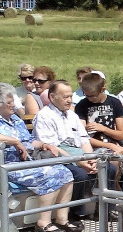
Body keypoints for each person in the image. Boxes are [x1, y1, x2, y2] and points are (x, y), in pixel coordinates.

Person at [0, 82, 79, 232]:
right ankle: (43, 222)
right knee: (51, 174)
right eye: (9, 102)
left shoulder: (15, 119)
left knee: (65, 173)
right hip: (5, 166)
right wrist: (14, 141)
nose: (14, 105)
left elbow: (29, 141)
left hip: (24, 163)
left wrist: (44, 145)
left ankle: (62, 219)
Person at [33, 80, 96, 218]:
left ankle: (102, 211)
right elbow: (52, 148)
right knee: (79, 174)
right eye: (65, 97)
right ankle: (75, 213)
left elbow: (84, 140)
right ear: (52, 97)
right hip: (57, 158)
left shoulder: (72, 115)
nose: (69, 101)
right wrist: (78, 161)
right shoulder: (44, 116)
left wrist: (90, 159)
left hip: (78, 155)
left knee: (108, 168)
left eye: (70, 97)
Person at [75, 71, 123, 156]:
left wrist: (103, 129)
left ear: (103, 90)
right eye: (87, 95)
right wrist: (109, 146)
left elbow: (122, 134)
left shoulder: (114, 102)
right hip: (93, 146)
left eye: (93, 96)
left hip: (114, 142)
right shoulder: (81, 105)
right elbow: (83, 137)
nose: (90, 99)